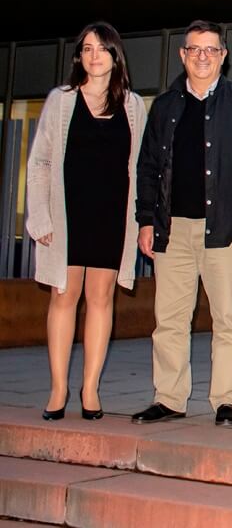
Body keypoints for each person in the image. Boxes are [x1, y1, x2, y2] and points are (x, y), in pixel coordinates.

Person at [132, 20, 232, 427]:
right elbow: (148, 165)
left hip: (224, 229)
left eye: (211, 49)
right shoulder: (167, 105)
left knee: (228, 320)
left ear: (224, 55)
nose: (202, 56)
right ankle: (169, 398)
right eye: (194, 49)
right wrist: (146, 219)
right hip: (173, 229)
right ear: (182, 55)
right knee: (169, 321)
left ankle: (226, 400)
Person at [26, 22, 146, 421]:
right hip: (67, 215)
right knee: (63, 296)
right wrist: (39, 216)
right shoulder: (61, 100)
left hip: (112, 217)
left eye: (103, 49)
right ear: (79, 56)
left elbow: (140, 167)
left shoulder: (132, 105)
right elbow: (41, 162)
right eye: (87, 49)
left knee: (101, 299)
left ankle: (90, 389)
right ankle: (58, 388)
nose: (95, 56)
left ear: (116, 56)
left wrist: (142, 219)